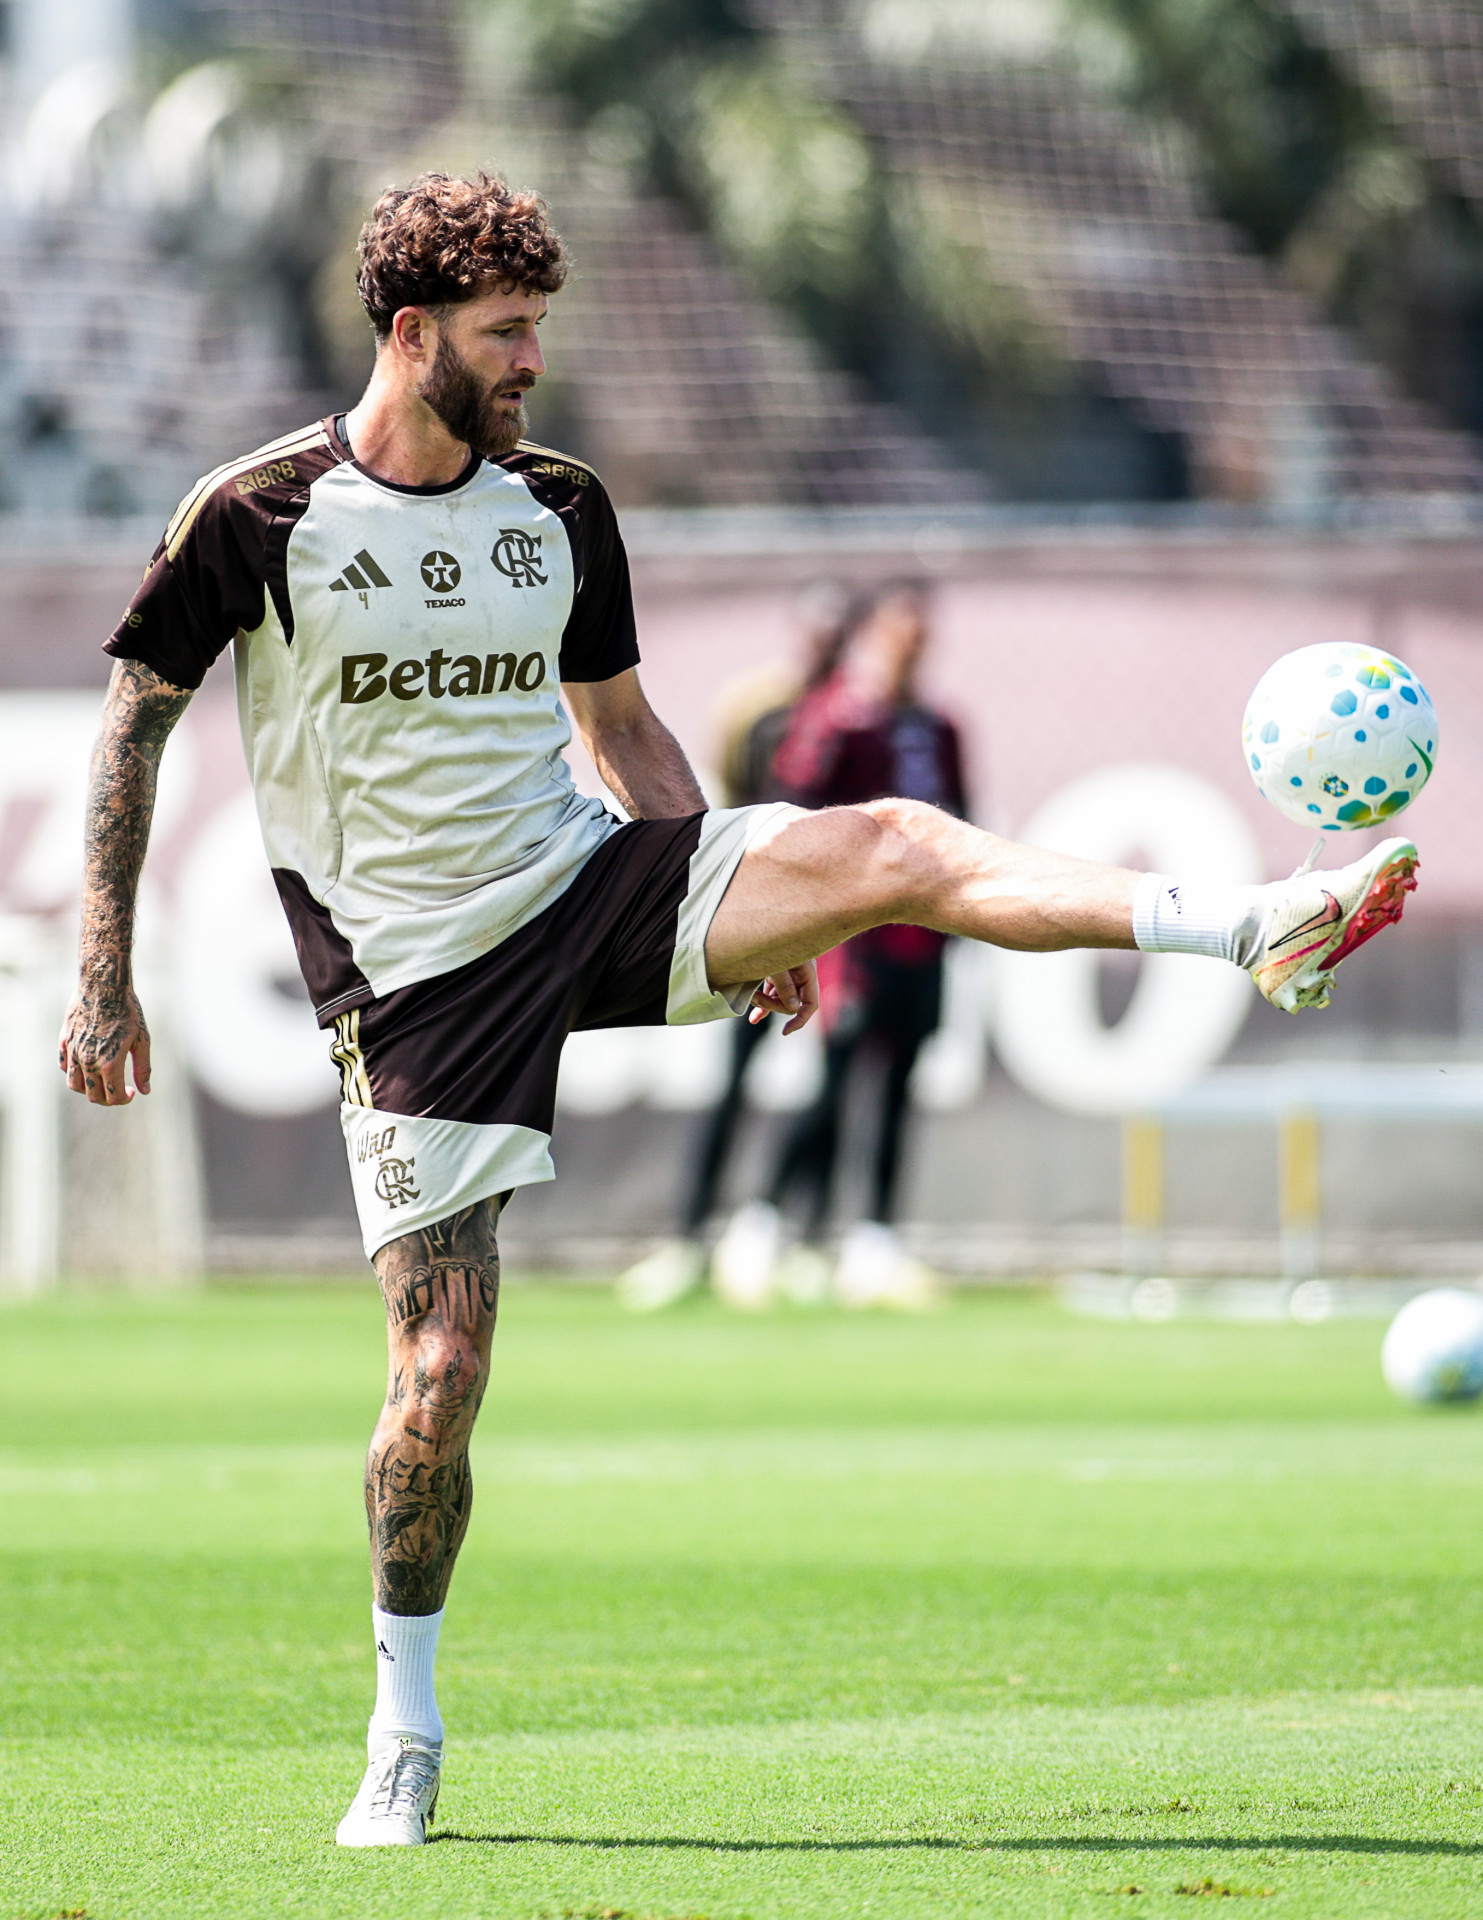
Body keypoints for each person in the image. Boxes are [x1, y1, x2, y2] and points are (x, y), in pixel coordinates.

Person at [57, 170, 1418, 1849]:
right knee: (440, 1372)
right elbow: (132, 726)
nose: (532, 360)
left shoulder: (556, 507)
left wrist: (724, 892)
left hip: (589, 880)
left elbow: (617, 728)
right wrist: (101, 968)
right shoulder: (255, 517)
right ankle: (401, 1722)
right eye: (503, 334)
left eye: (539, 327)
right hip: (413, 983)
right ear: (410, 339)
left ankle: (1249, 923)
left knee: (897, 847)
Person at [711, 581, 967, 1310]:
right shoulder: (838, 719)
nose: (913, 645)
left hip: (923, 936)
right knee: (834, 1078)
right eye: (900, 630)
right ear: (876, 636)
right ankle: (760, 1225)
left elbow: (965, 820)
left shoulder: (940, 726)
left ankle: (872, 1242)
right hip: (855, 937)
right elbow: (792, 805)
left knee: (899, 1082)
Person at [614, 579, 856, 1312]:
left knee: (836, 1078)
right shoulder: (758, 709)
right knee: (735, 1076)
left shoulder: (858, 715)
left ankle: (800, 1234)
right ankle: (690, 1237)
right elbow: (729, 805)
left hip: (842, 919)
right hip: (767, 912)